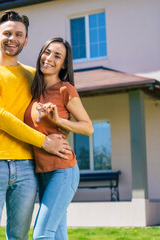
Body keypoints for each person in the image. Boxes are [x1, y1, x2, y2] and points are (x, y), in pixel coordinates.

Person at [0, 11, 72, 240]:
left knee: (19, 236)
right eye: (7, 33)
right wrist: (43, 141)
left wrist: (61, 126)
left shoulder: (35, 75)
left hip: (27, 167)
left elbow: (58, 103)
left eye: (19, 34)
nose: (12, 38)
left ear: (26, 41)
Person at [25, 37, 93, 239]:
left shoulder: (65, 89)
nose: (49, 58)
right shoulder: (33, 91)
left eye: (57, 56)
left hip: (63, 171)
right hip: (42, 173)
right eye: (47, 52)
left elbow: (88, 128)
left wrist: (60, 121)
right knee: (57, 234)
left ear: (63, 64)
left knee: (42, 235)